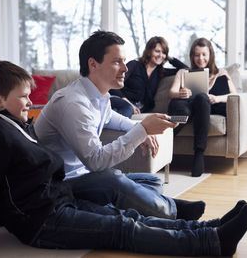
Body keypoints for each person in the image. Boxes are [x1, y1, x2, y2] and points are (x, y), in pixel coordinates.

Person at [0, 60, 247, 256]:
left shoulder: (16, 124)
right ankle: (210, 244)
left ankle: (205, 229)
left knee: (126, 217)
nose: (31, 101)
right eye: (24, 96)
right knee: (123, 231)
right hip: (41, 222)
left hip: (59, 202)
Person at [34, 30, 205, 221]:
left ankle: (114, 206)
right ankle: (174, 211)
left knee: (152, 181)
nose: (125, 68)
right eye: (117, 62)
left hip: (85, 175)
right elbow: (96, 161)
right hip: (63, 182)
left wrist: (139, 128)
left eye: (124, 61)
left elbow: (114, 119)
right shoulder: (73, 102)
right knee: (112, 180)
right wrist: (142, 130)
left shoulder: (101, 97)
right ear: (93, 64)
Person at [168, 37, 237, 177]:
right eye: (197, 54)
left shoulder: (221, 73)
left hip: (202, 107)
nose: (200, 58)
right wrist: (181, 92)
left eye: (204, 54)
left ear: (210, 55)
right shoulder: (183, 72)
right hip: (184, 104)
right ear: (192, 56)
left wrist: (216, 98)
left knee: (202, 98)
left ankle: (198, 154)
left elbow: (234, 96)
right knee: (184, 110)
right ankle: (165, 138)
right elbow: (171, 92)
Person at [109, 36, 188, 117]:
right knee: (126, 109)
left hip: (139, 110)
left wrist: (168, 57)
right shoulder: (134, 65)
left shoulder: (160, 72)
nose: (160, 55)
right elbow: (113, 85)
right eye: (157, 51)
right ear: (149, 51)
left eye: (164, 52)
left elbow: (185, 68)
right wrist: (127, 102)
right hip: (120, 100)